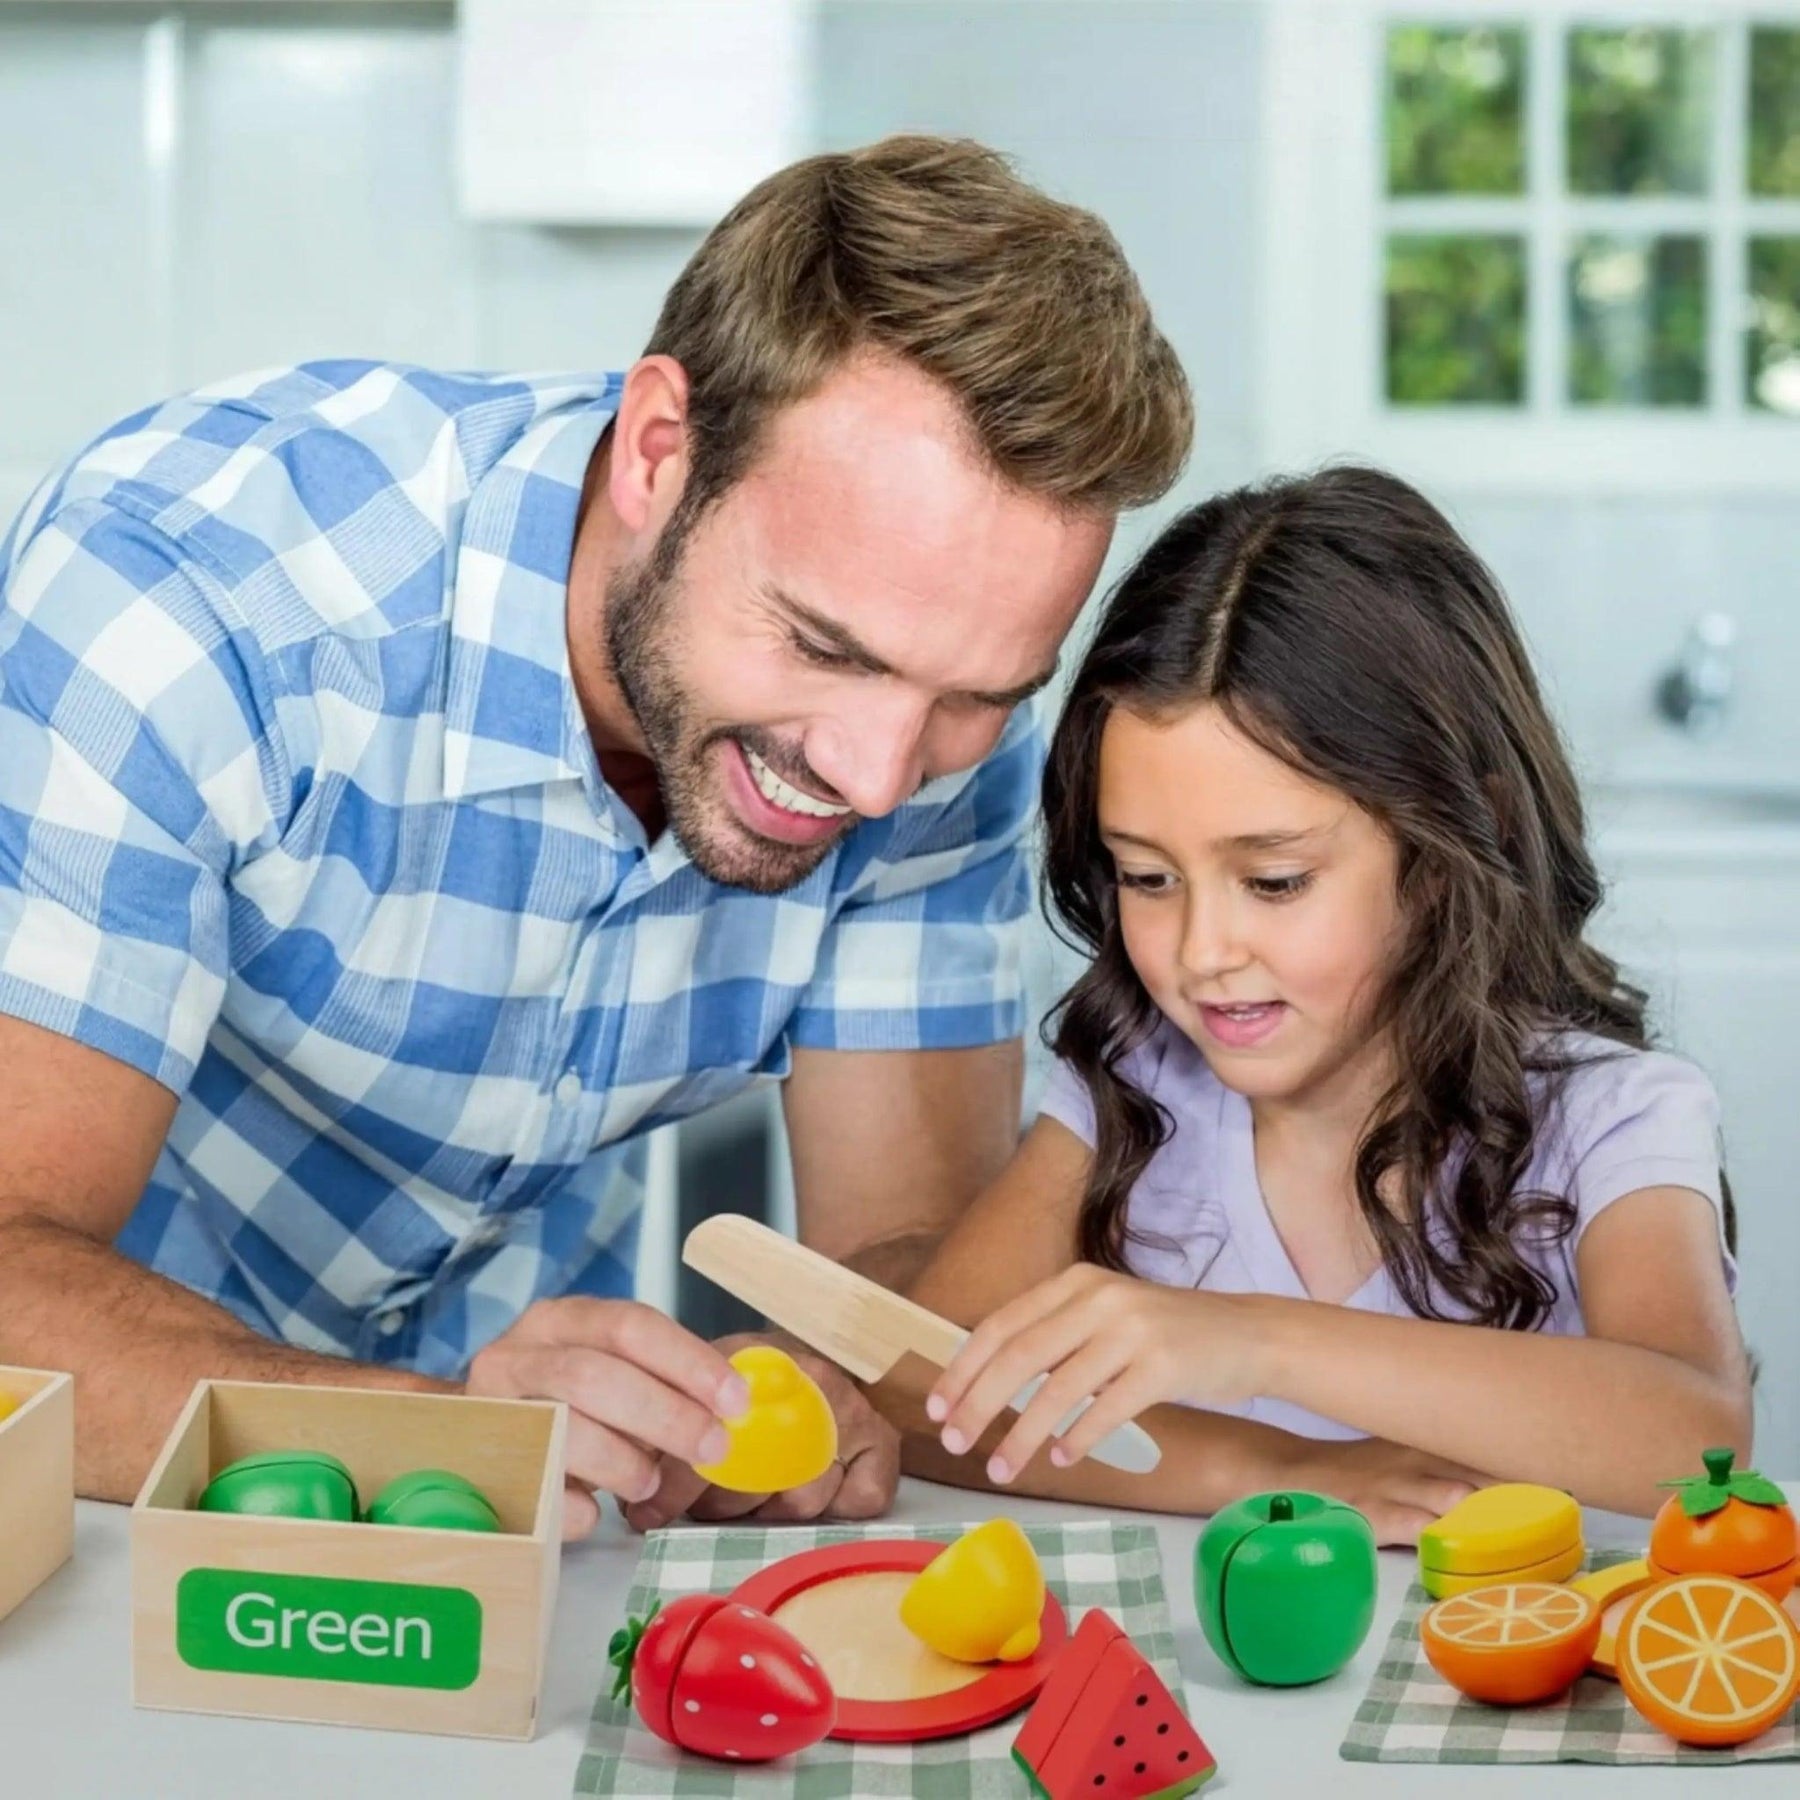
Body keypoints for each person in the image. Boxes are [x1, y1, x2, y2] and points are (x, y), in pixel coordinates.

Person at [0, 136, 1191, 1534]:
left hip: (544, 1502)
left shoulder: (930, 749)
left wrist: (809, 1387)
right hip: (87, 1466)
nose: (878, 779)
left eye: (977, 696)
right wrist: (450, 1441)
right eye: (822, 645)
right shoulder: (198, 594)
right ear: (657, 453)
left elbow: (894, 1281)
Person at [897, 467, 1749, 1542]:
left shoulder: (1612, 1118)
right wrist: (1283, 1467)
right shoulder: (1135, 1088)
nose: (1202, 954)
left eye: (1275, 881)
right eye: (1147, 877)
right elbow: (919, 1389)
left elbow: (1696, 1437)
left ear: (1444, 851)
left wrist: (1254, 1341)